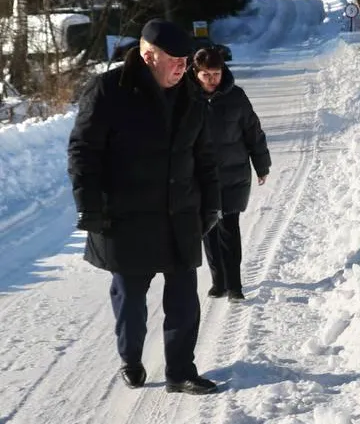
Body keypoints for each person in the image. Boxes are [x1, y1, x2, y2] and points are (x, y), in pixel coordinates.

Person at [67, 19, 222, 395]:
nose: (183, 67)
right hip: (126, 218)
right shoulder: (109, 90)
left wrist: (212, 205)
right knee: (130, 298)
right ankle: (131, 358)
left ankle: (180, 371)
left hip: (178, 213)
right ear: (149, 55)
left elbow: (204, 156)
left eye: (186, 60)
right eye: (175, 60)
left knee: (184, 298)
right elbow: (84, 151)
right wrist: (89, 206)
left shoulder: (190, 95)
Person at [191, 47, 270, 301]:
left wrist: (262, 164)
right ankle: (219, 281)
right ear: (196, 73)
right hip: (199, 177)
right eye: (206, 75)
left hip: (232, 173)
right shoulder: (186, 98)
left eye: (216, 73)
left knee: (229, 226)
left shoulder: (236, 97)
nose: (212, 79)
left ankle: (234, 285)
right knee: (208, 229)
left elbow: (253, 131)